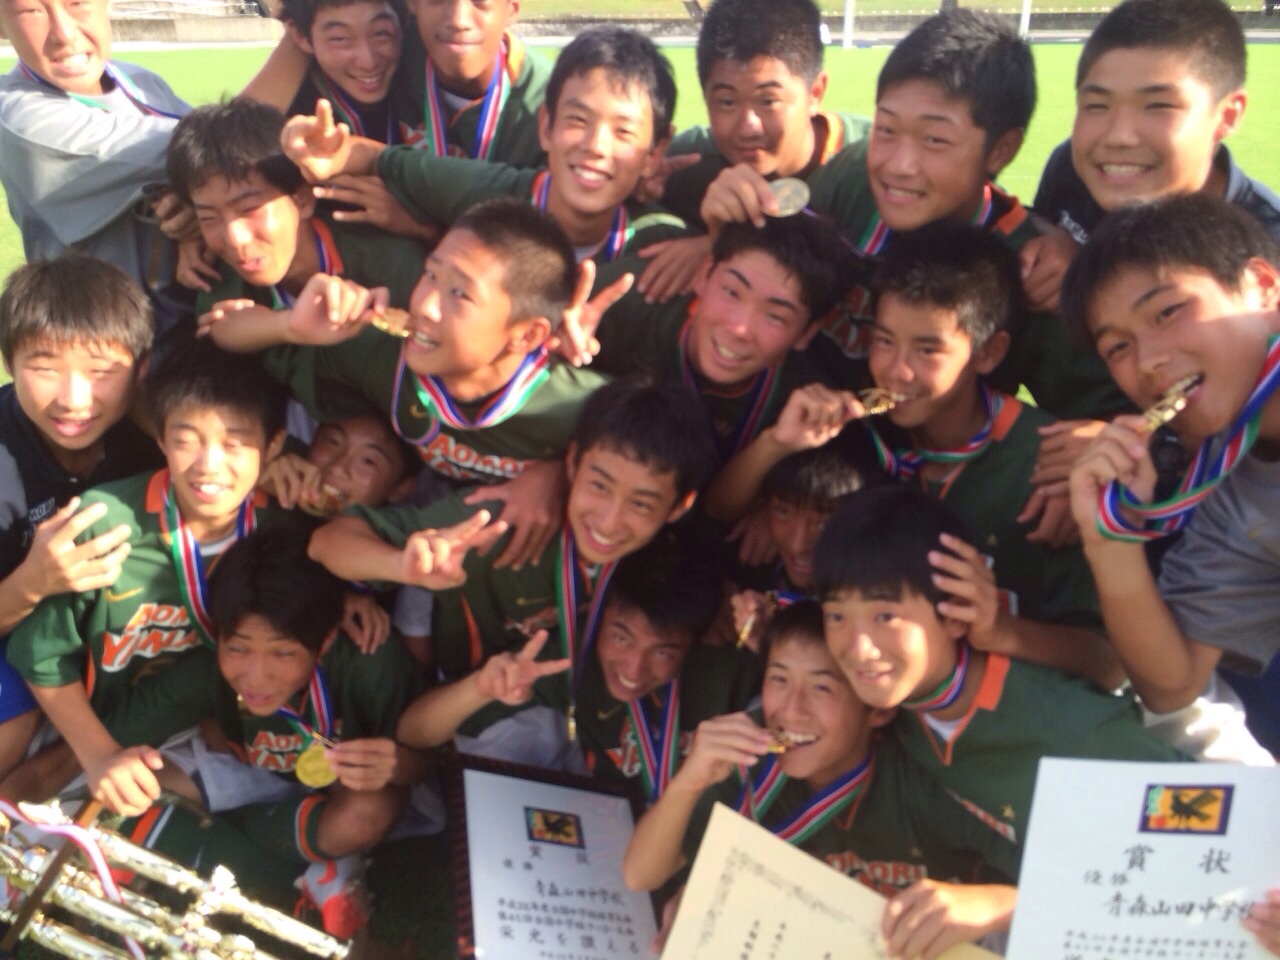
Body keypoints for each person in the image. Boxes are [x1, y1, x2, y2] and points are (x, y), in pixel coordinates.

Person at [312, 380, 715, 769]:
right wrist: (400, 565)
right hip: (468, 701)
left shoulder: (672, 562)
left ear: (679, 506)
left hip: (570, 711)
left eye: (641, 505)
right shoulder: (499, 522)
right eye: (599, 486)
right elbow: (329, 541)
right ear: (572, 461)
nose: (610, 522)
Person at [623, 602, 1022, 959]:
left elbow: (1052, 885)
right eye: (779, 679)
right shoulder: (751, 756)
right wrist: (688, 781)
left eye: (821, 687)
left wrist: (991, 905)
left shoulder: (924, 779)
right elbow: (641, 875)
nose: (792, 710)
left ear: (878, 709)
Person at [814, 484, 1183, 853]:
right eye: (836, 616)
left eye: (885, 616)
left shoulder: (1079, 733)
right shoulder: (899, 711)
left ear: (957, 611)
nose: (859, 649)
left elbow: (1198, 833)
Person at [5, 337, 289, 815]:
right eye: (185, 440)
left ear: (273, 446)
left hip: (193, 724)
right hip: (78, 717)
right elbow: (40, 653)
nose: (209, 465)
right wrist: (98, 753)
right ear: (159, 438)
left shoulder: (286, 533)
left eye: (234, 443)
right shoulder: (103, 523)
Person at [118, 525, 426, 935]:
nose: (257, 676)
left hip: (334, 789)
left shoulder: (370, 661)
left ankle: (228, 844)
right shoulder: (206, 666)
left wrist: (395, 763)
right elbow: (114, 736)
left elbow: (428, 764)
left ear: (325, 640)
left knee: (365, 817)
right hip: (247, 767)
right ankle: (309, 871)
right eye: (238, 648)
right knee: (128, 789)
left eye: (282, 652)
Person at [1064, 194, 1280, 764]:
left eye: (1167, 312)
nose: (1150, 360)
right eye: (1118, 347)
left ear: (1262, 288)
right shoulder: (1233, 487)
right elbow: (1173, 685)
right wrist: (1109, 538)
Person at [282, 26, 686, 268]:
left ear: (655, 153)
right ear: (545, 126)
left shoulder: (667, 251)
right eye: (578, 120)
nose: (596, 146)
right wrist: (330, 153)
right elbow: (384, 159)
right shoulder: (491, 192)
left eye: (623, 132)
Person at [0, 254, 160, 781]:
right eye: (45, 368)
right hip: (20, 644)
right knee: (12, 720)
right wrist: (32, 583)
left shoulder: (157, 434)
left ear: (140, 370)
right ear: (8, 362)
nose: (73, 400)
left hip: (122, 633)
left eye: (101, 372)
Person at [634, 0, 869, 304]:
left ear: (815, 92)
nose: (748, 127)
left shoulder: (874, 166)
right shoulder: (688, 160)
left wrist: (721, 245)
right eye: (727, 102)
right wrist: (633, 187)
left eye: (768, 101)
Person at [591, 216, 845, 471]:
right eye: (732, 292)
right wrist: (567, 354)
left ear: (806, 333)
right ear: (704, 274)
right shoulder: (627, 297)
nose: (739, 329)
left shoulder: (805, 410)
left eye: (775, 316)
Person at [0, 0, 193, 333]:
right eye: (31, 11)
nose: (63, 33)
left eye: (77, 3)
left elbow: (217, 166)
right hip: (107, 347)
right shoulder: (20, 118)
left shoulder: (139, 80)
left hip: (197, 326)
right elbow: (220, 145)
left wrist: (197, 202)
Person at [1034, 0, 1280, 250]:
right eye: (1097, 106)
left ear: (1227, 115)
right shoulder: (1070, 172)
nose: (1119, 137)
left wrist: (1079, 267)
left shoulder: (1267, 245)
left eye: (1158, 106)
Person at [165, 97, 426, 317]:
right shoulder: (218, 278)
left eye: (249, 209)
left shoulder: (394, 267)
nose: (235, 239)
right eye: (208, 217)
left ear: (302, 200)